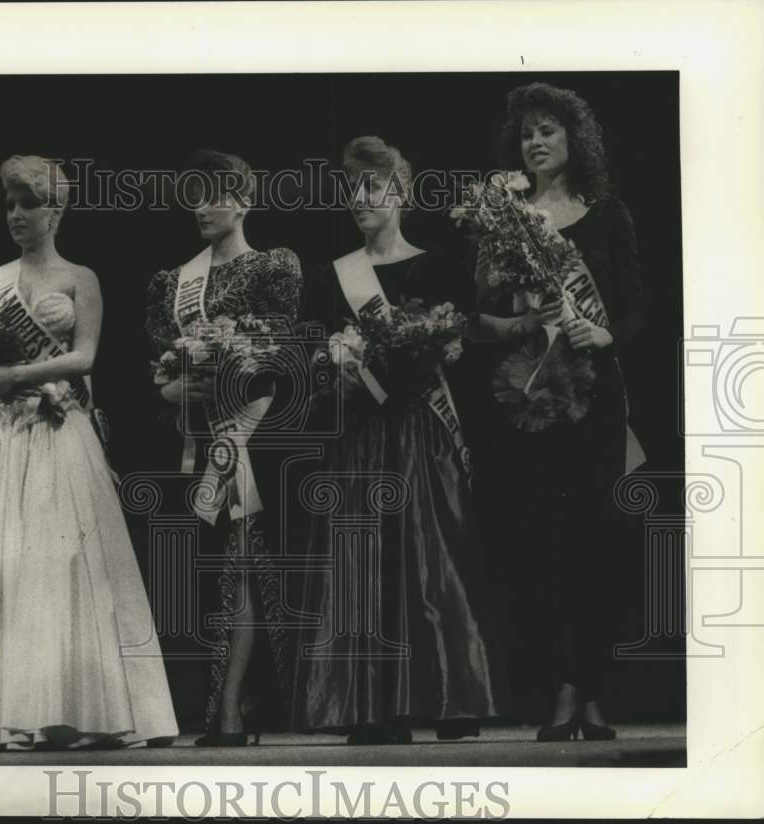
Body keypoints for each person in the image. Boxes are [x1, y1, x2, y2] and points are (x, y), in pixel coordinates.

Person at [0, 155, 177, 751]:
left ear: (56, 209)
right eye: (11, 204)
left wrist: (17, 371)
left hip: (57, 431)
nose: (17, 215)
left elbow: (84, 357)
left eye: (28, 204)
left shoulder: (82, 277)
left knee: (59, 569)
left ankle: (73, 708)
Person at [292, 136, 501, 744]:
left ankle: (450, 698)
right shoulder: (333, 277)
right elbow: (311, 355)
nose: (359, 199)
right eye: (351, 187)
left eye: (373, 186)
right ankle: (373, 706)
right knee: (365, 562)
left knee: (431, 558)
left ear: (401, 191)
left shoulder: (436, 266)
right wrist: (335, 363)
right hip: (360, 434)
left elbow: (456, 343)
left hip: (420, 431)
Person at [475, 82, 645, 741]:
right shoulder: (505, 222)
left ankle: (592, 690)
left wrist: (605, 335)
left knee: (596, 540)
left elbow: (635, 309)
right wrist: (522, 325)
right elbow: (480, 319)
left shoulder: (607, 215)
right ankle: (561, 690)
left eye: (549, 130)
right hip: (529, 393)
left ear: (576, 141)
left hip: (594, 395)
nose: (537, 141)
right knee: (543, 542)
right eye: (527, 134)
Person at [145, 150, 302, 746]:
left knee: (241, 568)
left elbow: (281, 348)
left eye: (212, 195)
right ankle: (230, 705)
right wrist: (174, 384)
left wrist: (229, 366)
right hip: (200, 441)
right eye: (194, 196)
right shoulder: (173, 283)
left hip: (258, 435)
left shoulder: (275, 267)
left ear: (242, 200)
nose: (199, 208)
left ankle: (232, 710)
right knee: (216, 573)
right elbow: (158, 374)